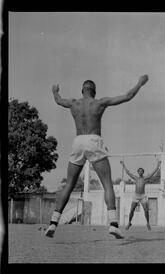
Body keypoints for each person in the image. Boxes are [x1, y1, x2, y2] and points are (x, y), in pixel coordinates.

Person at [45, 75, 149, 239]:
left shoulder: (73, 103)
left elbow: (58, 100)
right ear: (94, 91)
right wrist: (140, 83)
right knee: (107, 184)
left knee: (69, 185)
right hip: (94, 140)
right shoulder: (99, 102)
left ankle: (53, 222)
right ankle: (113, 225)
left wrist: (55, 91)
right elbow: (127, 96)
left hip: (78, 142)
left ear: (82, 91)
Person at [120, 159, 161, 230]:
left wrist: (158, 164)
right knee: (132, 210)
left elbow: (153, 172)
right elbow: (128, 172)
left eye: (141, 171)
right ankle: (129, 223)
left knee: (146, 210)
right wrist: (123, 165)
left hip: (143, 196)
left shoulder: (145, 178)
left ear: (143, 172)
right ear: (138, 172)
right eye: (139, 171)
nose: (140, 172)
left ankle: (148, 223)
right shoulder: (135, 178)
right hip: (136, 195)